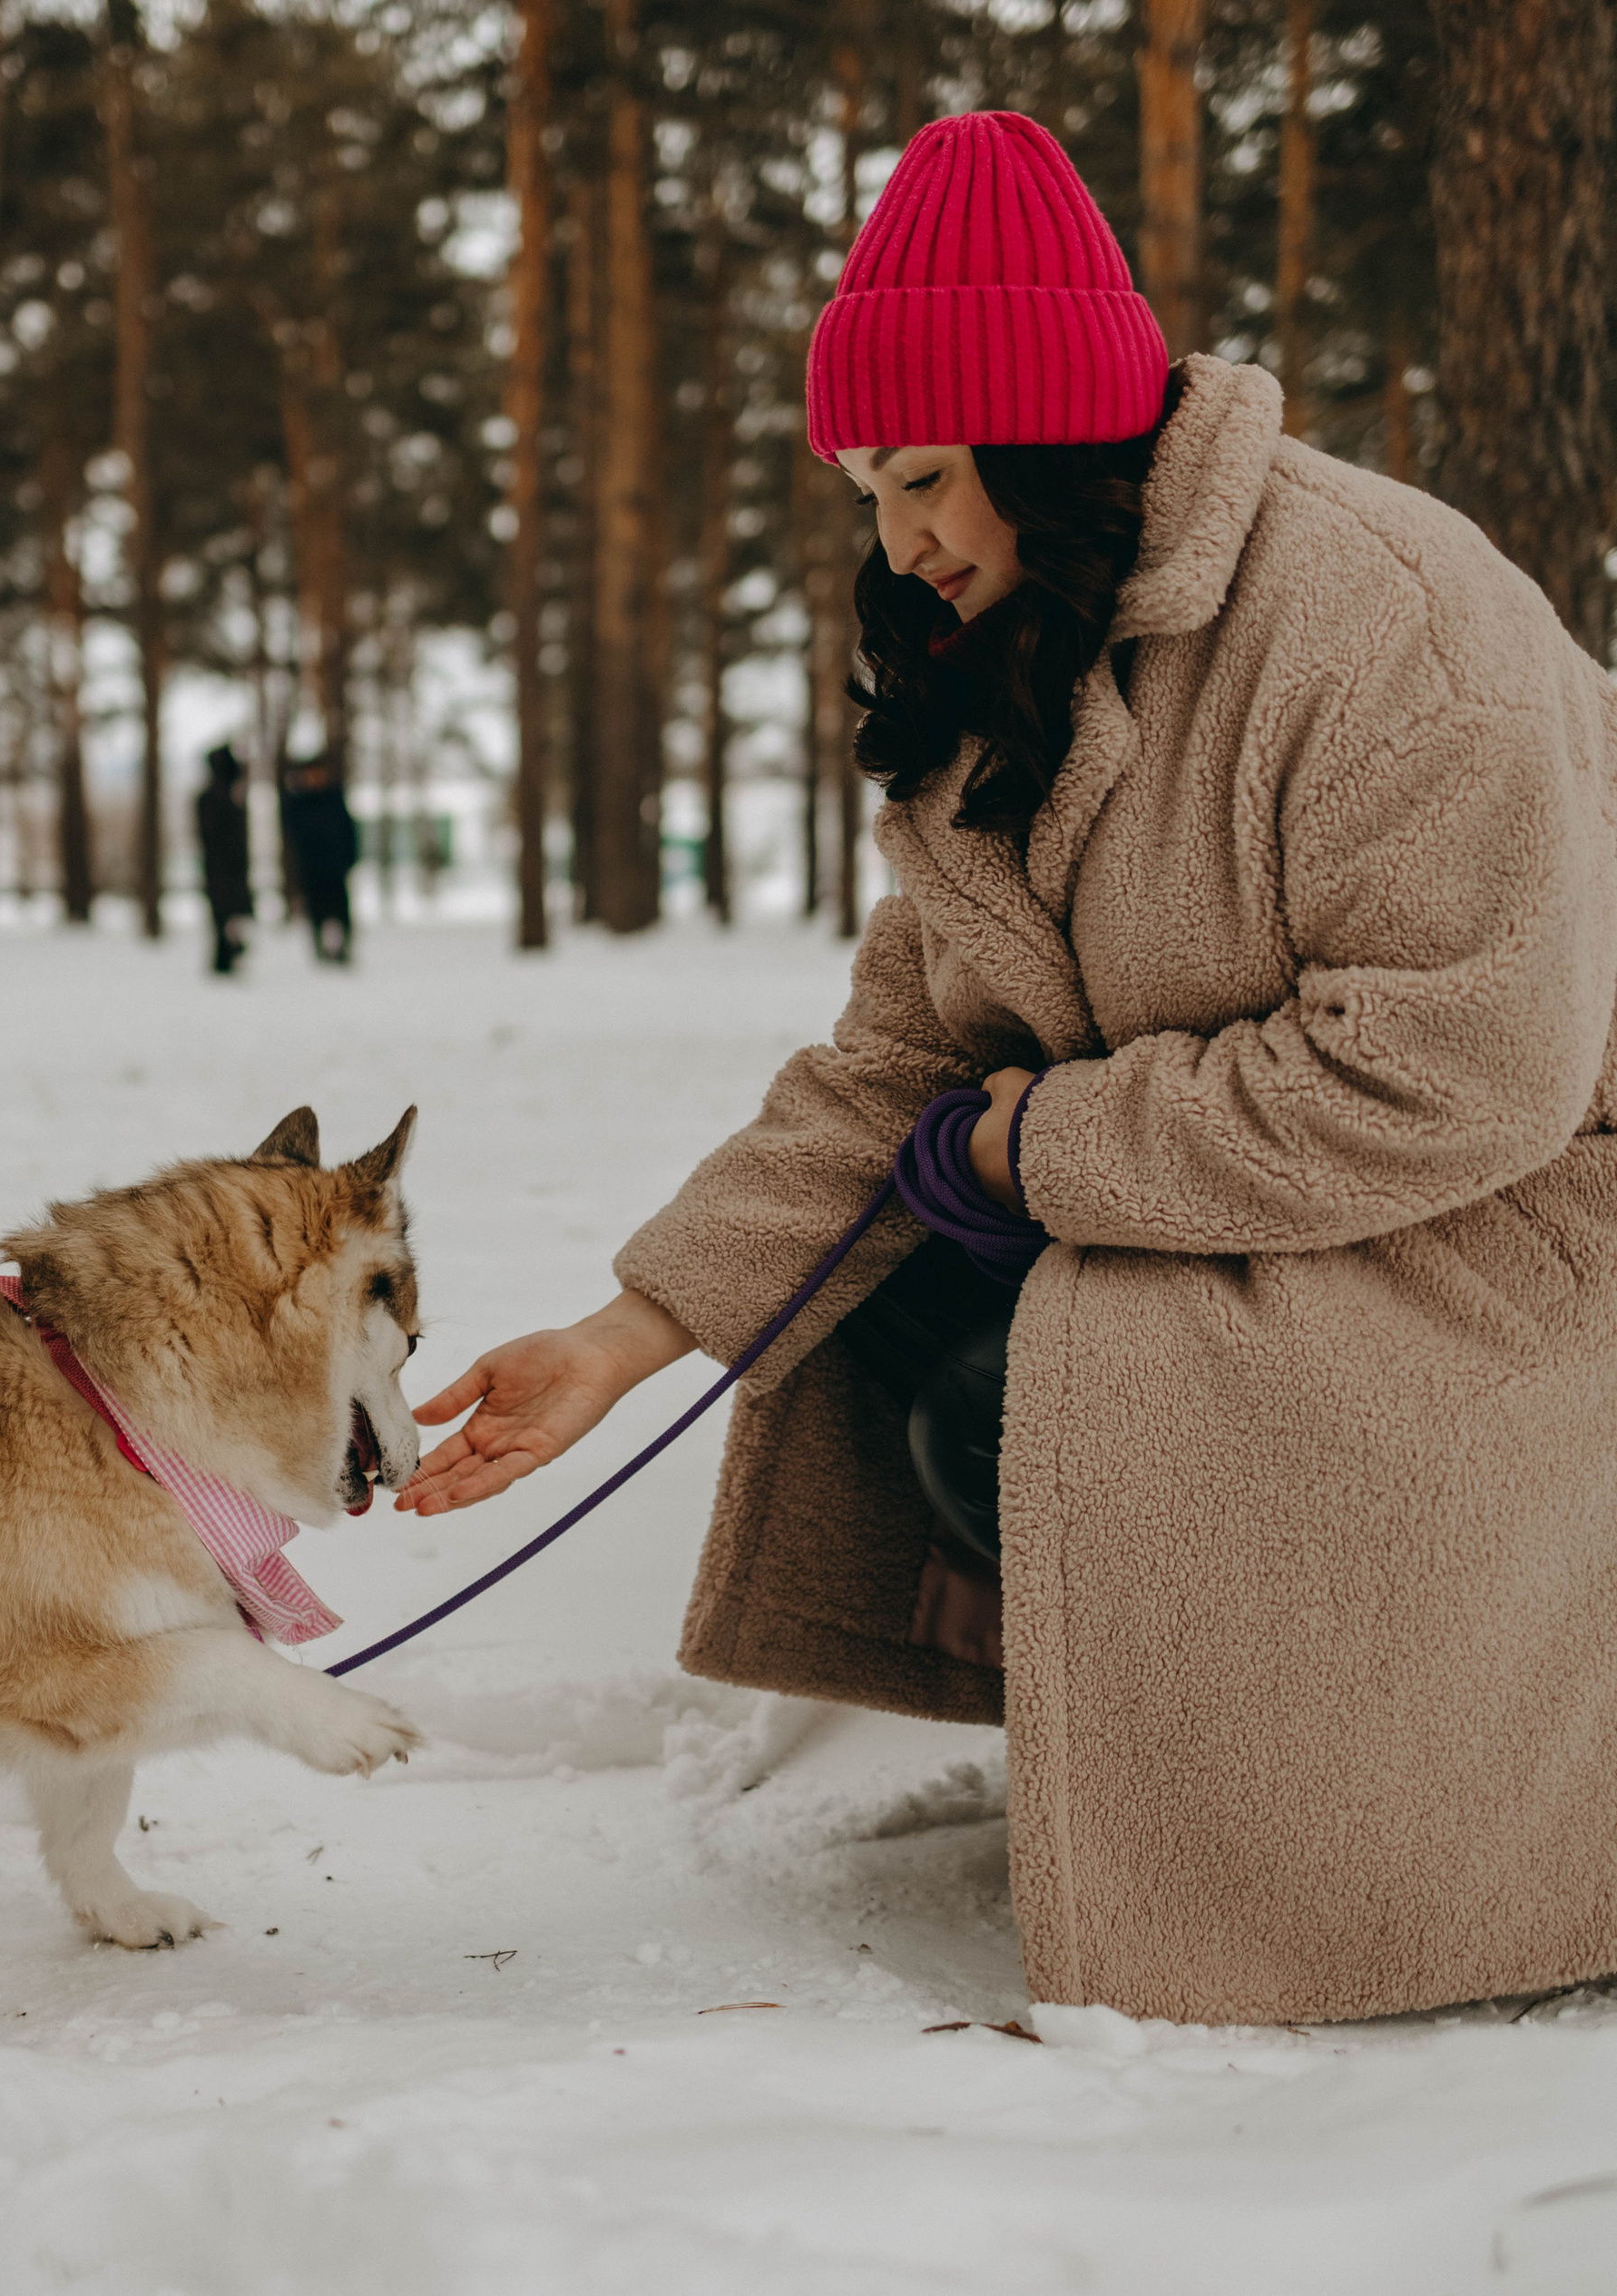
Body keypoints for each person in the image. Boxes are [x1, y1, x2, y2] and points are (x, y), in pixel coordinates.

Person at [398, 112, 1617, 2028]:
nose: (896, 538)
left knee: (1030, 1388)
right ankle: (1183, 1777)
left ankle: (1367, 1852)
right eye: (865, 492)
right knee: (866, 1329)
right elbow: (894, 1062)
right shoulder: (1016, 655)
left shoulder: (1377, 617)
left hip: (1513, 1223)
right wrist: (623, 1334)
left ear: (1048, 433)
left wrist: (1041, 1142)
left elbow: (1459, 1069)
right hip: (1297, 1186)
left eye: (921, 477)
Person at [279, 750, 358, 965]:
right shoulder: (299, 803)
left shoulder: (333, 799)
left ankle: (343, 950)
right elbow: (293, 837)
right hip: (312, 870)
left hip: (334, 868)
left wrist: (348, 861)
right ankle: (321, 952)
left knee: (340, 911)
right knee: (316, 912)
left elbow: (348, 832)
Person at [195, 744, 254, 976]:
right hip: (221, 868)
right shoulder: (216, 799)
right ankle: (225, 957)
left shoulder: (226, 796)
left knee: (228, 914)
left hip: (226, 868)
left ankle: (228, 955)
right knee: (224, 914)